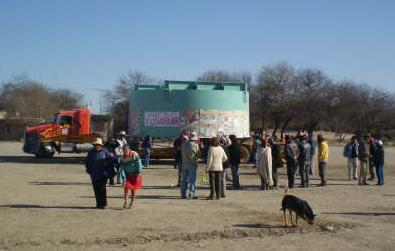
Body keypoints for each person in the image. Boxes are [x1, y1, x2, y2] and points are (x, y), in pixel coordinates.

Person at [85, 138, 115, 209]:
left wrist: (109, 163)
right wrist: (89, 170)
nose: (97, 146)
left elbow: (111, 160)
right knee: (96, 190)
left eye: (98, 145)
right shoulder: (91, 152)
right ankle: (98, 203)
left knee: (102, 189)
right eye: (95, 145)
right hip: (94, 174)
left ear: (101, 145)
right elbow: (87, 162)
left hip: (103, 174)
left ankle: (104, 204)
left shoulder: (105, 151)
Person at [180, 132, 201, 199]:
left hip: (184, 163)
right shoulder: (195, 145)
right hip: (192, 164)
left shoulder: (184, 144)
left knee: (184, 180)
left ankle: (183, 194)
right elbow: (199, 155)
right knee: (192, 180)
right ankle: (191, 194)